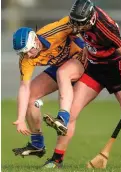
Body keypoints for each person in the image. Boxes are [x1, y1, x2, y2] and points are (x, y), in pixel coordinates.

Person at [43, 0, 121, 168]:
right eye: (75, 21)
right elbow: (88, 40)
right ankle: (56, 160)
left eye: (80, 23)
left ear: (90, 20)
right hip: (94, 69)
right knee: (70, 114)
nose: (75, 26)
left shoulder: (105, 29)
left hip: (116, 70)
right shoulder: (81, 18)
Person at [12, 16, 87, 162]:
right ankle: (37, 144)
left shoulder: (53, 31)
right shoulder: (26, 59)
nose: (27, 55)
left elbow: (79, 20)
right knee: (30, 95)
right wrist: (20, 119)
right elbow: (24, 88)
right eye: (23, 52)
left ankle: (63, 118)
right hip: (60, 65)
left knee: (63, 73)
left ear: (35, 40)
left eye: (28, 50)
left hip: (80, 59)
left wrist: (85, 45)